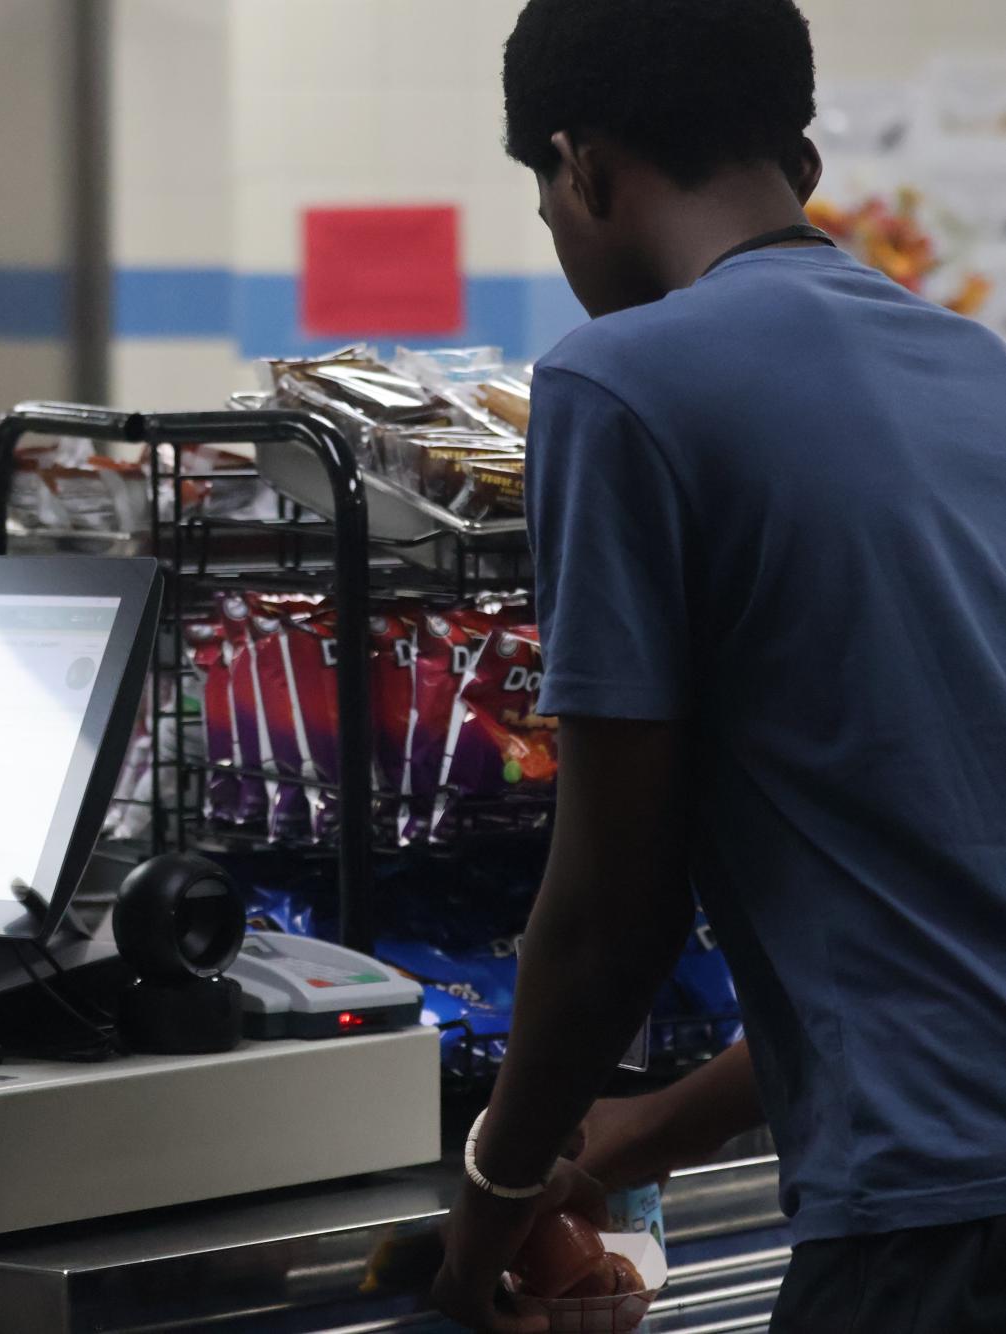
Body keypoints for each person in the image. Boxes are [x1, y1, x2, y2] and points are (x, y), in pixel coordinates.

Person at [431, 1, 1006, 1329]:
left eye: (546, 204)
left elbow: (612, 908)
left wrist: (491, 1197)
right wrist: (633, 1136)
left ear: (578, 167)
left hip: (927, 1233)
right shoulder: (975, 374)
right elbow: (924, 918)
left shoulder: (622, 386)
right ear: (798, 166)